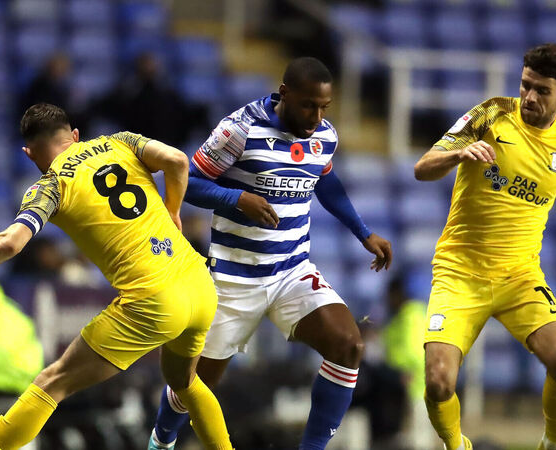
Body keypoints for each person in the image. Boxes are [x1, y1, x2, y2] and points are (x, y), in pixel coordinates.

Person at [0, 103, 234, 450]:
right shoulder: (120, 141)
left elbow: (9, 243)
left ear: (29, 153)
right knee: (184, 383)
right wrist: (172, 210)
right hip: (200, 284)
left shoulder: (51, 186)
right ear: (75, 135)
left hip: (154, 300)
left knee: (52, 383)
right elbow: (177, 160)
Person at [148, 57, 393, 450]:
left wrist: (363, 233)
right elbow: (187, 183)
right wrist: (237, 198)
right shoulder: (240, 129)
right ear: (284, 93)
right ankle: (161, 440)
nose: (316, 116)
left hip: (292, 271)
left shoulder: (324, 135)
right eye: (308, 105)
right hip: (233, 277)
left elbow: (324, 181)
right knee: (192, 384)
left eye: (324, 107)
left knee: (349, 346)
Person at [413, 43, 556, 450]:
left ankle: (552, 444)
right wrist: (458, 154)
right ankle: (456, 446)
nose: (529, 97)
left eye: (542, 90)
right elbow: (422, 168)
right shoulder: (490, 114)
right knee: (438, 382)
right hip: (459, 273)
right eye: (525, 85)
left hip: (519, 277)